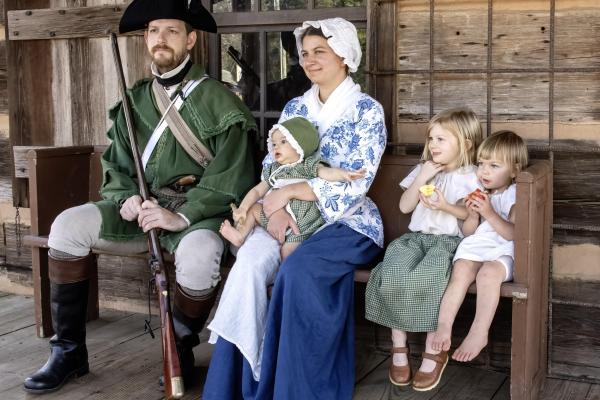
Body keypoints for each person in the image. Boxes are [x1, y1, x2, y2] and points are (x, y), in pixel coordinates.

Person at [23, 0, 256, 394]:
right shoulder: (135, 99)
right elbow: (116, 167)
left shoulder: (221, 100)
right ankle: (68, 352)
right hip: (141, 208)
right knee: (66, 228)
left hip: (196, 214)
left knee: (200, 257)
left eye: (171, 31)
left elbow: (234, 176)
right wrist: (124, 199)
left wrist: (181, 217)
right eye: (153, 31)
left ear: (191, 40)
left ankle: (180, 344)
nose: (160, 39)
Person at [203, 17, 387, 400]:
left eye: (321, 51)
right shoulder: (295, 106)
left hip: (347, 222)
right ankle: (235, 387)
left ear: (345, 56)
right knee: (249, 265)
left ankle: (295, 390)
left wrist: (290, 195)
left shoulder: (367, 111)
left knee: (297, 272)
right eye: (305, 53)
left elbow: (357, 182)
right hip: (282, 214)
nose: (310, 60)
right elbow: (273, 165)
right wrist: (277, 204)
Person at [365, 108, 483, 391]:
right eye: (431, 138)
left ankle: (435, 348)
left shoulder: (474, 177)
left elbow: (470, 227)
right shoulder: (423, 170)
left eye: (442, 139)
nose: (433, 145)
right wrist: (422, 177)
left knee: (430, 279)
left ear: (465, 144)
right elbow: (405, 207)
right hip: (415, 240)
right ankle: (399, 345)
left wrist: (446, 207)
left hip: (447, 244)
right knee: (391, 271)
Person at [432, 130, 528, 362]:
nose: (484, 171)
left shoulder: (516, 195)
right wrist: (473, 215)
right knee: (461, 270)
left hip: (503, 251)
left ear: (514, 170)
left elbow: (512, 233)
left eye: (494, 166)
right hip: (477, 246)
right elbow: (469, 232)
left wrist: (489, 212)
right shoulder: (480, 192)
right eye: (481, 164)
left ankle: (478, 331)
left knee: (487, 274)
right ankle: (444, 325)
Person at [220, 116, 366, 259]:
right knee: (253, 210)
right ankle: (240, 236)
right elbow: (258, 190)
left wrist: (344, 174)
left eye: (283, 142)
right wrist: (243, 208)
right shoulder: (274, 169)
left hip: (301, 223)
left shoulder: (307, 165)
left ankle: (281, 280)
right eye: (275, 144)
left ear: (299, 145)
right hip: (272, 215)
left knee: (286, 254)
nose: (277, 147)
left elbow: (325, 173)